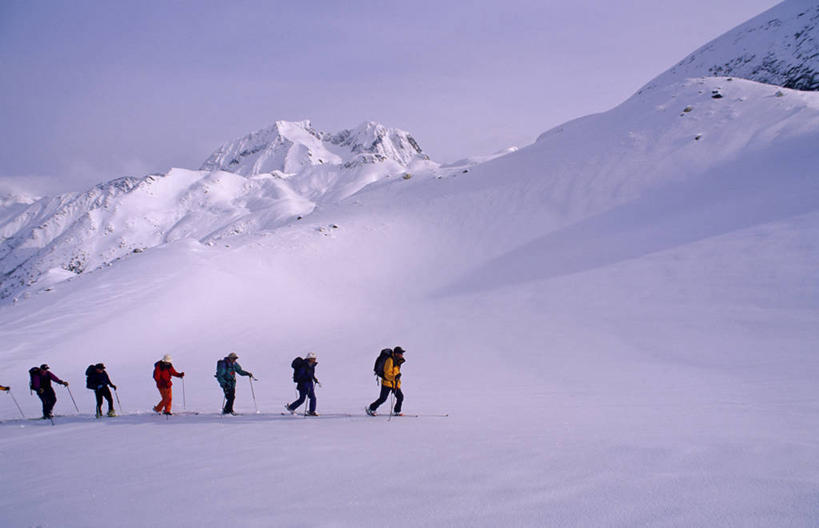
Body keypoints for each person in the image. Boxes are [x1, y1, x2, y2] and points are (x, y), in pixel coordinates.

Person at [367, 346, 405, 416]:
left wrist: (397, 376)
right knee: (383, 399)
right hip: (387, 383)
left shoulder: (397, 361)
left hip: (394, 383)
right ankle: (371, 409)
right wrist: (395, 377)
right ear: (396, 353)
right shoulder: (390, 360)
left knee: (400, 397)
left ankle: (397, 411)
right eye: (401, 353)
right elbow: (387, 374)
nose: (402, 355)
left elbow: (395, 371)